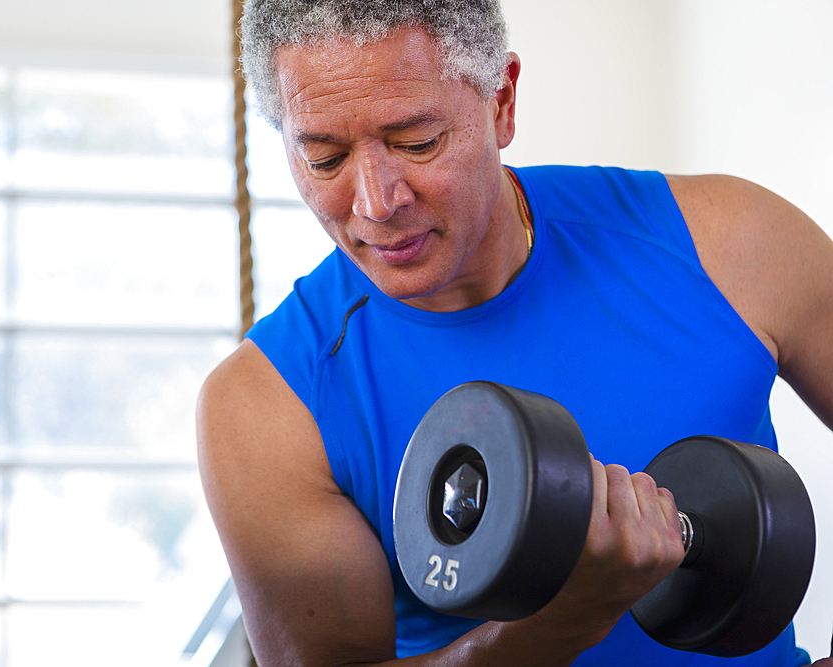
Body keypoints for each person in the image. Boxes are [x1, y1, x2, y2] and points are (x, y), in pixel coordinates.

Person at [196, 1, 833, 665]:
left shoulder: (730, 244)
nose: (377, 202)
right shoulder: (267, 404)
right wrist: (559, 621)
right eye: (326, 159)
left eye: (417, 143)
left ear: (501, 100)